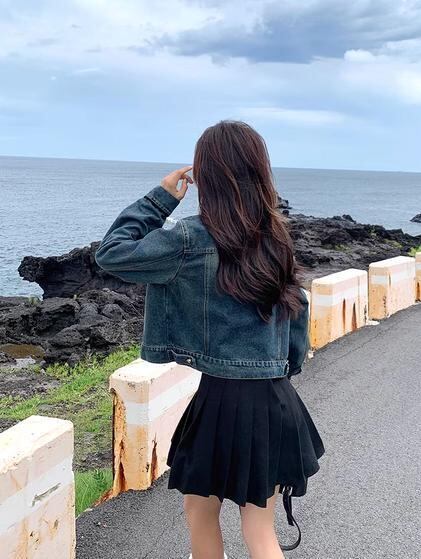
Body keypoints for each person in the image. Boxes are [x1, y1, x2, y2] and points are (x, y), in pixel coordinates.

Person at [95, 120, 325, 559]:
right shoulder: (275, 236)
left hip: (221, 400)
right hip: (275, 400)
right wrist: (286, 366)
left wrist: (161, 198)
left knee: (200, 514)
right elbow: (297, 309)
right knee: (260, 530)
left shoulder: (190, 238)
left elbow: (112, 252)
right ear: (259, 171)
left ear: (205, 175)